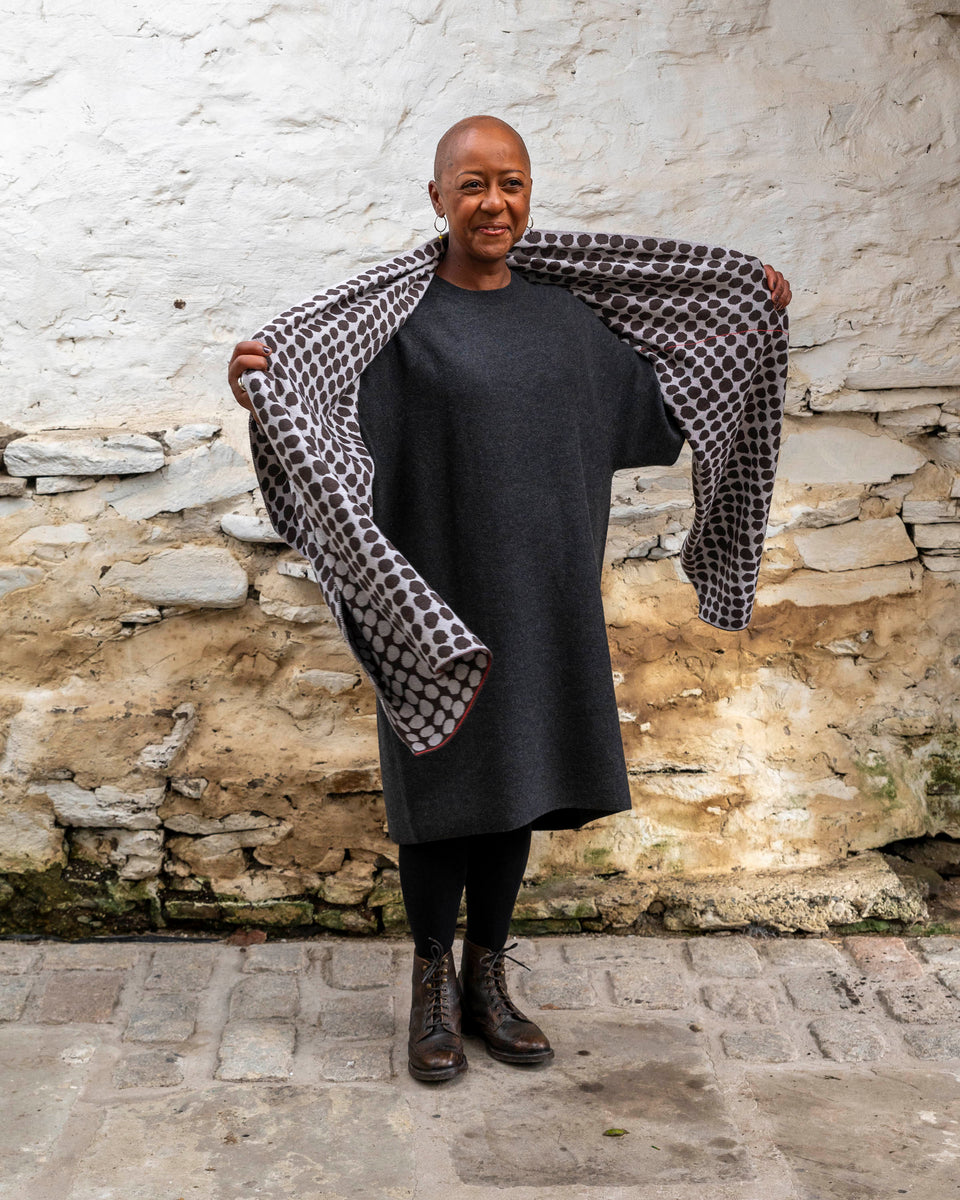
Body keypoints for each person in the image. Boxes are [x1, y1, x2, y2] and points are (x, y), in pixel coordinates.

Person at [228, 115, 792, 1085]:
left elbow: (670, 405)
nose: (495, 203)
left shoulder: (573, 324)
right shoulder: (394, 329)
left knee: (516, 790)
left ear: (530, 196)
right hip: (434, 601)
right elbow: (319, 409)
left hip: (542, 594)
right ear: (438, 197)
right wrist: (264, 385)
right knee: (439, 799)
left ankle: (488, 978)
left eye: (513, 184)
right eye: (475, 185)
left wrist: (751, 318)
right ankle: (431, 988)